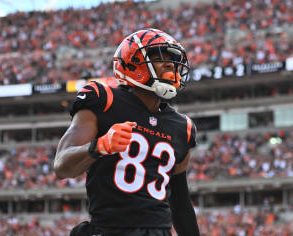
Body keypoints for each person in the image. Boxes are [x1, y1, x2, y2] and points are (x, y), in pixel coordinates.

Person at [53, 28, 200, 236]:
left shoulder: (182, 127)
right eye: (160, 57)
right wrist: (100, 146)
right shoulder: (104, 100)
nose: (170, 64)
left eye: (172, 59)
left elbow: (180, 202)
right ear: (133, 63)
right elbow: (61, 166)